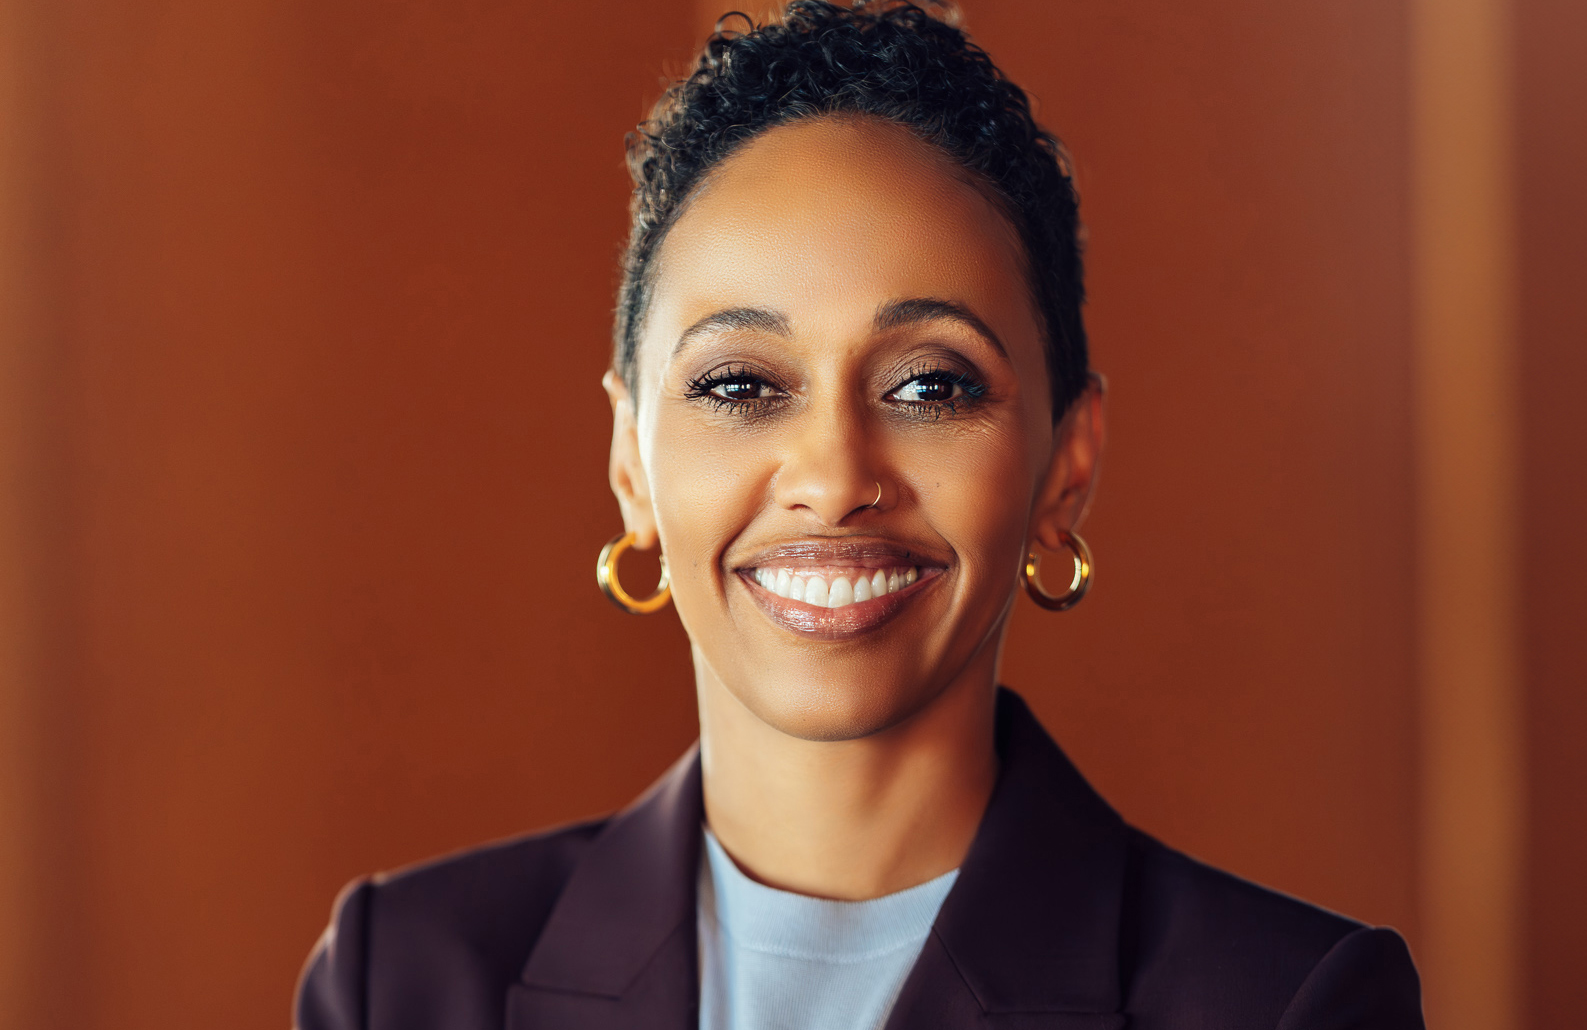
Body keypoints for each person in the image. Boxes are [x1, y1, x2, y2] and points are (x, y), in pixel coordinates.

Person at [294, 3, 1424, 1028]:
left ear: (1064, 467)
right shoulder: (401, 982)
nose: (833, 476)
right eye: (738, 385)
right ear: (628, 464)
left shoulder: (1284, 1005)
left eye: (930, 385)